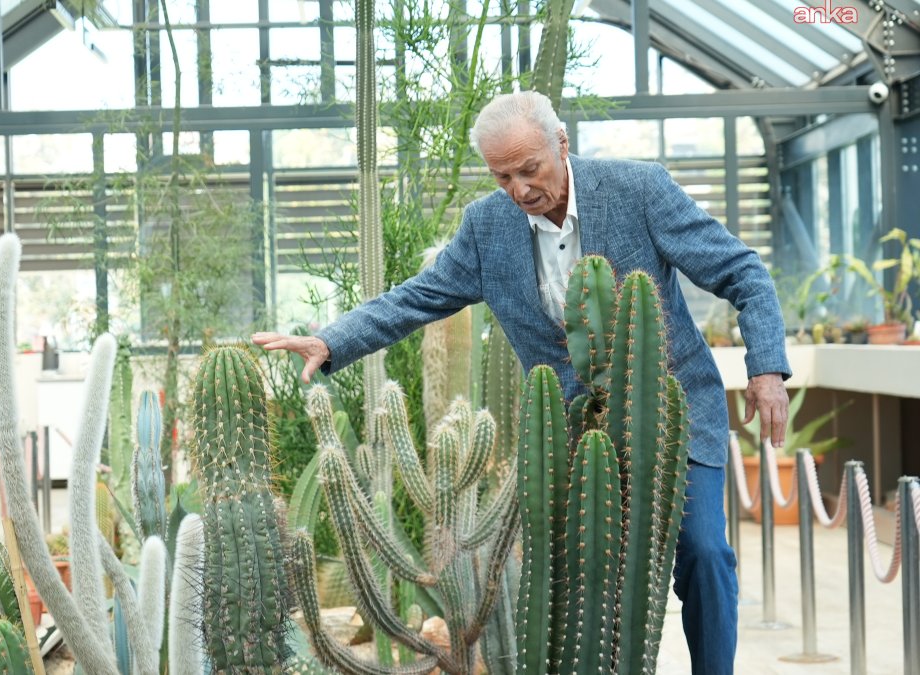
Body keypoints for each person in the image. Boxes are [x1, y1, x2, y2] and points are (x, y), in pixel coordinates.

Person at [253, 90, 789, 674]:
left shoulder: (638, 189)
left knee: (704, 553)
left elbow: (742, 271)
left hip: (670, 410)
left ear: (562, 143)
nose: (519, 189)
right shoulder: (487, 227)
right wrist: (333, 340)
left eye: (529, 169)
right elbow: (419, 297)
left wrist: (765, 369)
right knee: (581, 583)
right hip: (572, 430)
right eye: (502, 175)